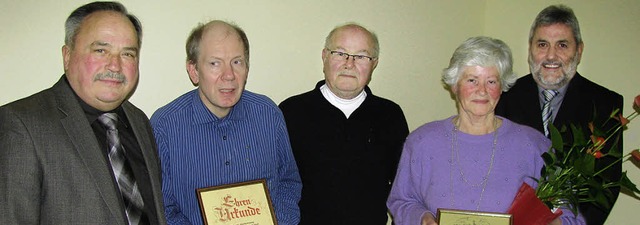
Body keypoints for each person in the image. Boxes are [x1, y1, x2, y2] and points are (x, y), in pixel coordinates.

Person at [387, 36, 585, 225]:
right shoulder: (421, 142)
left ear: (502, 87)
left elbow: (570, 215)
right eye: (472, 80)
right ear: (455, 85)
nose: (482, 91)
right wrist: (423, 220)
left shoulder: (534, 145)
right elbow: (402, 201)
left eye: (491, 81)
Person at [0, 2, 166, 225]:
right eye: (101, 50)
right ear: (67, 55)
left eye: (127, 53)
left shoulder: (139, 121)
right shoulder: (21, 124)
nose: (115, 65)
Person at [150, 20, 302, 225]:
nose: (229, 75)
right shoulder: (165, 127)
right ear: (194, 71)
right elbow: (163, 208)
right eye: (215, 63)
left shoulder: (269, 114)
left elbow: (288, 182)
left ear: (247, 68)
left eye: (237, 62)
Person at [495, 5, 623, 225]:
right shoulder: (504, 95)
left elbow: (607, 183)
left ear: (579, 50)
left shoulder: (605, 103)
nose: (551, 55)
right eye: (542, 44)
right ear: (530, 48)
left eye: (562, 45)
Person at [279, 23, 409, 224]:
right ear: (324, 56)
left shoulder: (390, 116)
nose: (349, 64)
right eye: (340, 53)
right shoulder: (290, 112)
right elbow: (276, 184)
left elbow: (404, 188)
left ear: (374, 63)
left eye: (361, 56)